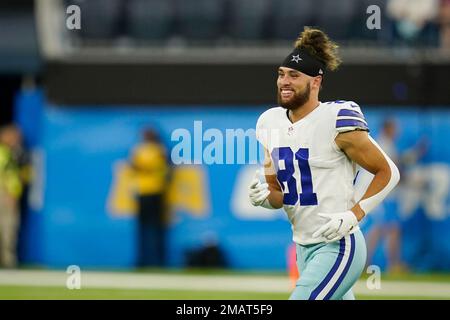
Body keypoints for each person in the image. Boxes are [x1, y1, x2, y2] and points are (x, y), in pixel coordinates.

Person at [248, 27, 400, 300]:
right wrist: (264, 197)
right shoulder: (269, 122)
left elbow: (388, 172)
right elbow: (278, 194)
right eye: (281, 74)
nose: (284, 81)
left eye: (294, 75)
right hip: (303, 247)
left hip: (339, 246)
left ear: (316, 82)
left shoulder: (337, 118)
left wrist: (354, 214)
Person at [130, 128, 169, 267]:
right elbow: (133, 167)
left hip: (156, 192)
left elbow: (164, 169)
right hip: (143, 191)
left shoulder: (159, 150)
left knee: (156, 229)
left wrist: (145, 168)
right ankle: (142, 260)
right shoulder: (139, 150)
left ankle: (158, 261)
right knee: (142, 229)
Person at [0, 125, 23, 268]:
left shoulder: (10, 153)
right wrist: (7, 193)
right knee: (8, 228)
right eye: (13, 136)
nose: (17, 140)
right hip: (5, 196)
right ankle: (8, 261)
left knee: (9, 228)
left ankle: (8, 260)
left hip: (10, 195)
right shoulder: (3, 154)